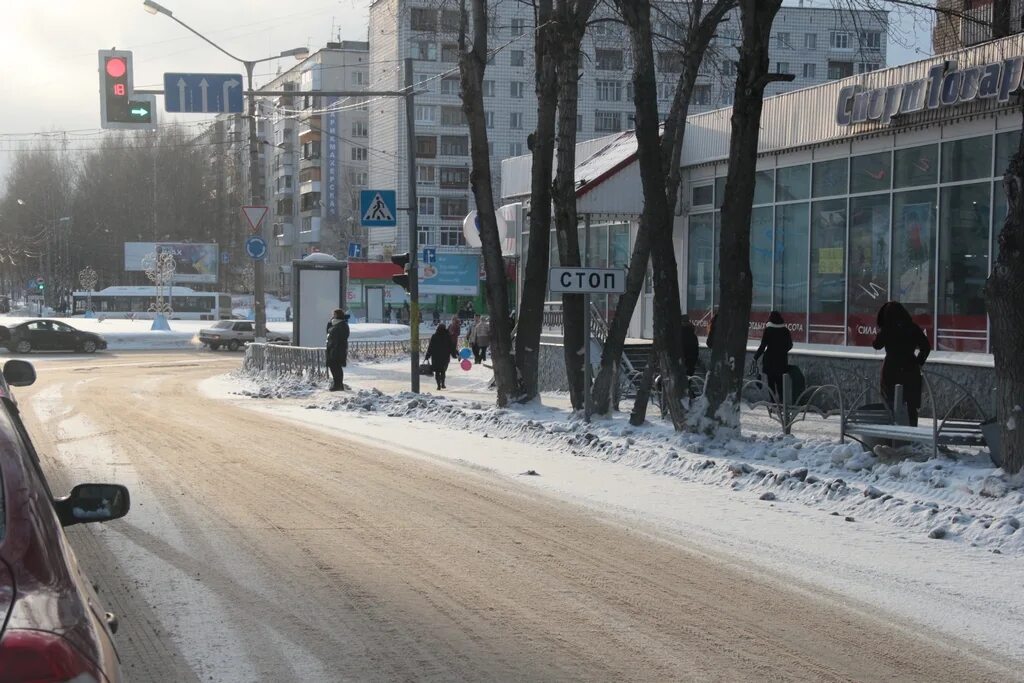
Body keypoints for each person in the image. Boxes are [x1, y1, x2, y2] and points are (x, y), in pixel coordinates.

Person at [872, 301, 931, 427]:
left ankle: (892, 432)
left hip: (891, 369)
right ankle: (912, 432)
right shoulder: (913, 328)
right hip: (910, 369)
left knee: (890, 402)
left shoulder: (887, 329)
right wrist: (918, 362)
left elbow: (876, 345)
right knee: (911, 405)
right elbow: (926, 347)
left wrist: (882, 330)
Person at [752, 311, 793, 403]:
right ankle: (782, 405)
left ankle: (773, 404)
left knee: (771, 384)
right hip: (781, 362)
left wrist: (755, 357)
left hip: (769, 362)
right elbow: (790, 345)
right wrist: (782, 351)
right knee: (780, 385)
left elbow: (763, 346)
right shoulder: (785, 330)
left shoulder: (768, 330)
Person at [424, 323, 457, 390]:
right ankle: (443, 384)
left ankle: (438, 385)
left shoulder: (434, 336)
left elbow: (430, 347)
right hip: (445, 357)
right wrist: (454, 354)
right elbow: (451, 347)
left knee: (437, 371)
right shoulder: (448, 336)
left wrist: (427, 355)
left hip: (435, 357)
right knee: (443, 371)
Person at [325, 309, 350, 391]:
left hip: (338, 349)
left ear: (338, 315)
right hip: (332, 349)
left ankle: (338, 385)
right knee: (333, 367)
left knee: (337, 367)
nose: (333, 316)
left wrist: (335, 347)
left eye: (334, 314)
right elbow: (328, 332)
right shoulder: (334, 324)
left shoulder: (342, 325)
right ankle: (337, 384)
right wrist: (329, 323)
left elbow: (341, 338)